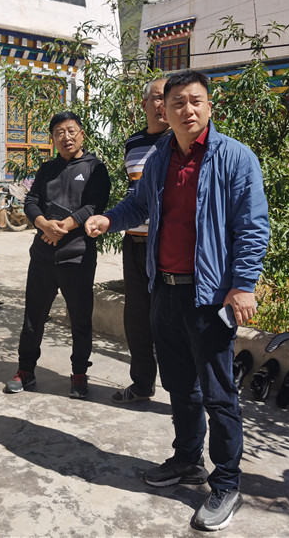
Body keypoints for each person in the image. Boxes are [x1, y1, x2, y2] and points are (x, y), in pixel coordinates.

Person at [85, 71, 269, 531]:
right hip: (164, 289)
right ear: (163, 111)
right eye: (177, 103)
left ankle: (226, 483)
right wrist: (109, 220)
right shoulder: (160, 157)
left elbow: (252, 225)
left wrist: (244, 284)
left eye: (195, 101)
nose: (187, 109)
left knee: (218, 393)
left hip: (209, 295)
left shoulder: (235, 158)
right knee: (180, 387)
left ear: (209, 106)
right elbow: (139, 205)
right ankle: (187, 459)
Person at [4, 111, 110, 399]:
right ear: (53, 138)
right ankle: (25, 370)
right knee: (33, 317)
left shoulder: (95, 169)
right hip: (42, 255)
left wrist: (63, 227)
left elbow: (95, 205)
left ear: (82, 134)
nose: (66, 137)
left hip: (77, 257)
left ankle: (79, 374)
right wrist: (43, 224)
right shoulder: (47, 169)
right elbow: (31, 201)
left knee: (80, 319)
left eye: (71, 131)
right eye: (59, 133)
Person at [112, 77, 169, 405]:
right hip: (134, 243)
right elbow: (135, 194)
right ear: (144, 103)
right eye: (158, 98)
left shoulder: (179, 141)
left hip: (167, 246)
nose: (164, 105)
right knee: (136, 319)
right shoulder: (133, 143)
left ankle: (185, 395)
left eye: (169, 98)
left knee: (171, 320)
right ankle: (142, 384)